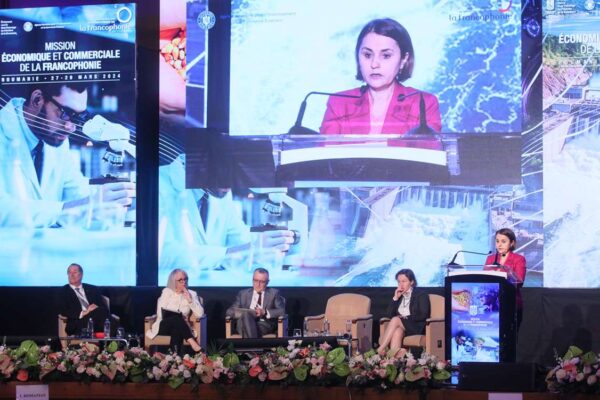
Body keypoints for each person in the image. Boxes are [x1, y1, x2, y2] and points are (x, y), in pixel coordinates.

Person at [0, 83, 135, 227]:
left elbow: (75, 190)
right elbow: (4, 210)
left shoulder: (55, 138)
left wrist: (118, 195)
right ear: (37, 100)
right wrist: (82, 206)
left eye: (77, 117)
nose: (70, 128)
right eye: (65, 113)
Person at [158, 155, 294, 271]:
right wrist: (237, 252)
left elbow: (239, 238)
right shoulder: (158, 183)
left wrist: (274, 242)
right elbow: (162, 254)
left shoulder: (218, 190)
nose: (229, 184)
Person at [320, 18, 441, 136]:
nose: (374, 64)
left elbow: (428, 148)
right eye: (367, 55)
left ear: (404, 59)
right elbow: (325, 148)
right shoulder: (339, 103)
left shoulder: (422, 103)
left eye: (386, 56)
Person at [146, 268, 204, 353]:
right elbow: (160, 313)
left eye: (185, 279)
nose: (184, 282)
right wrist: (178, 317)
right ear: (173, 281)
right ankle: (192, 342)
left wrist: (190, 300)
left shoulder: (192, 294)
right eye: (180, 280)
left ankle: (174, 356)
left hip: (181, 326)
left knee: (176, 328)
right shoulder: (167, 292)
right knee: (176, 318)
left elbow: (200, 314)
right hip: (164, 325)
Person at [377, 268, 430, 355]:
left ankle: (381, 348)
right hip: (402, 327)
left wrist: (406, 318)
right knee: (397, 331)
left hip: (416, 326)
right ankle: (393, 359)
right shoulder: (399, 295)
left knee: (396, 319)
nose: (401, 285)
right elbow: (389, 315)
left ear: (411, 282)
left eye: (404, 281)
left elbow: (423, 314)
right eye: (399, 282)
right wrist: (395, 298)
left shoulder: (421, 294)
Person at [225, 267, 285, 338]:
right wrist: (241, 313)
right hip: (242, 323)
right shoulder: (243, 294)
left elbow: (281, 311)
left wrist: (264, 312)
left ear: (267, 282)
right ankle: (253, 343)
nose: (258, 284)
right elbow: (229, 311)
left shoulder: (274, 293)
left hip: (263, 324)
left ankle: (250, 343)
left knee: (245, 325)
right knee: (246, 315)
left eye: (262, 282)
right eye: (255, 280)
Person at [485, 227, 526, 328]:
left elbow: (519, 281)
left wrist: (504, 274)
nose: (499, 244)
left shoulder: (519, 259)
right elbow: (484, 280)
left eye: (503, 241)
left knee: (509, 334)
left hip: (510, 303)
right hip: (491, 305)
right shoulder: (490, 258)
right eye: (497, 241)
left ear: (512, 243)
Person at [59, 263, 115, 336]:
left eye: (75, 272)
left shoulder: (93, 289)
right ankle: (120, 338)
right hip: (78, 323)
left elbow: (104, 309)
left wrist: (95, 308)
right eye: (69, 272)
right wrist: (84, 313)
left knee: (101, 311)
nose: (71, 275)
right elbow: (63, 310)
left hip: (97, 320)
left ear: (81, 275)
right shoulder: (63, 291)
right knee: (102, 314)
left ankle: (115, 339)